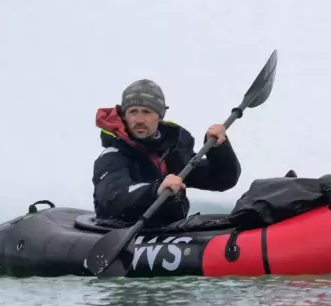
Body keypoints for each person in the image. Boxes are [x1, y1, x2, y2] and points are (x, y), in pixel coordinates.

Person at [93, 78, 241, 227]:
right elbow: (113, 197)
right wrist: (155, 190)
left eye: (147, 111)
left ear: (160, 115)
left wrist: (219, 149)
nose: (139, 119)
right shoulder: (113, 155)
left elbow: (222, 179)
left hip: (165, 234)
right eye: (133, 112)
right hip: (121, 234)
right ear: (124, 116)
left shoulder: (172, 151)